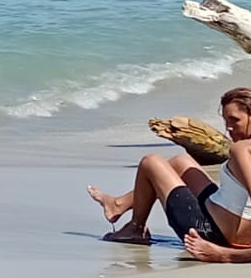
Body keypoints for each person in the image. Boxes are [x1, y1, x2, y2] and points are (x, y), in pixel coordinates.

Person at [86, 88, 251, 253]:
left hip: (209, 232)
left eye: (234, 120)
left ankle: (135, 228)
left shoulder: (241, 150)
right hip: (224, 218)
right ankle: (119, 204)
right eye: (225, 120)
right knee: (181, 162)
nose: (228, 128)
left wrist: (225, 254)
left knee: (150, 162)